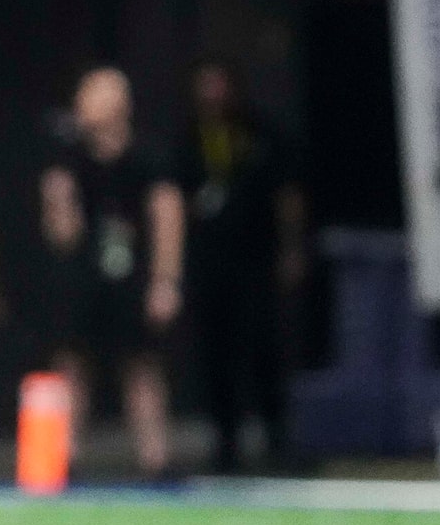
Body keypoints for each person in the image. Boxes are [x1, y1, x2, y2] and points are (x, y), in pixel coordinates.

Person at [35, 68, 183, 480]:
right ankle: (65, 455)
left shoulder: (148, 157)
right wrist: (58, 198)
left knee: (141, 365)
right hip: (82, 275)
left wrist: (165, 281)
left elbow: (167, 218)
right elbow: (61, 235)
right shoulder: (68, 160)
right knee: (72, 364)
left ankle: (155, 457)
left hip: (133, 273)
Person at [176, 60, 304, 474]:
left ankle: (277, 435)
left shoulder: (261, 132)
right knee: (215, 351)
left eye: (220, 85)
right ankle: (225, 441)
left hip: (256, 257)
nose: (213, 95)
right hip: (209, 261)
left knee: (264, 346)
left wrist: (291, 247)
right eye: (205, 86)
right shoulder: (189, 137)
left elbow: (288, 194)